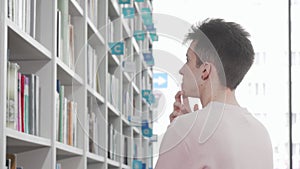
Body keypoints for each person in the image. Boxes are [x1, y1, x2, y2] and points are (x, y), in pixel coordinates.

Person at [154, 18, 273, 169]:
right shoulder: (261, 132)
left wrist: (180, 131)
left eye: (188, 60)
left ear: (205, 71)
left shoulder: (185, 129)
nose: (181, 70)